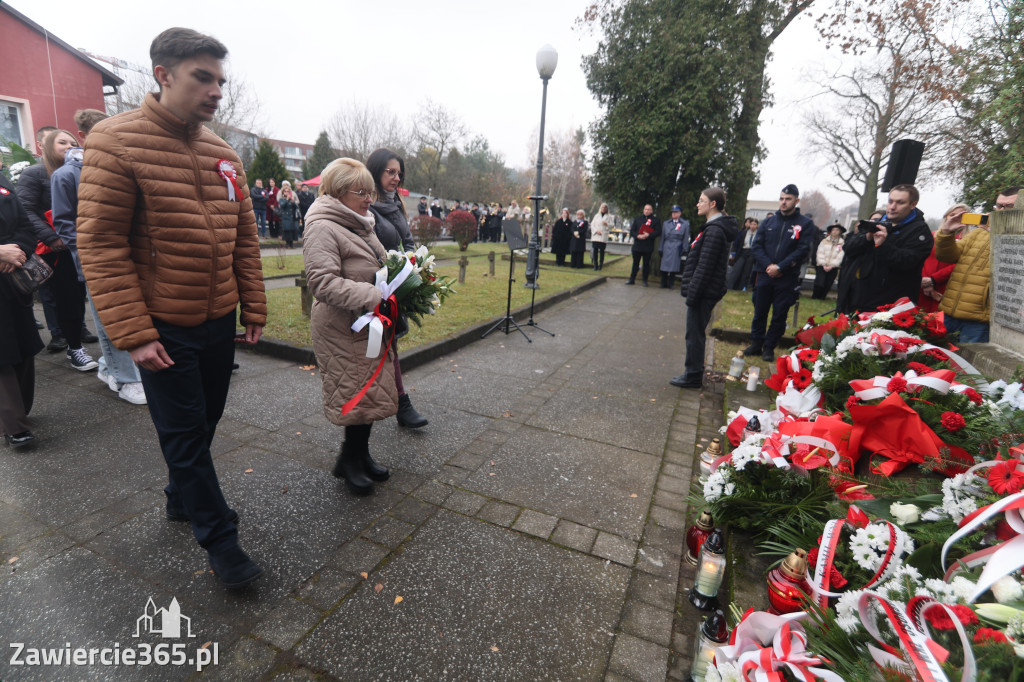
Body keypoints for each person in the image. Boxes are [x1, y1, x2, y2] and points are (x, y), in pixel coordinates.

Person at [77, 27, 267, 589]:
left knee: (202, 423)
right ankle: (222, 543)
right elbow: (101, 243)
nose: (215, 91)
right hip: (162, 325)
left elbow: (244, 238)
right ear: (163, 75)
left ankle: (178, 494)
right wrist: (134, 333)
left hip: (218, 319)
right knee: (184, 433)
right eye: (201, 77)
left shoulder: (223, 153)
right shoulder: (115, 141)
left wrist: (253, 305)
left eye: (219, 80)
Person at [303, 158, 398, 496]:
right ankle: (351, 461)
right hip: (342, 326)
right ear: (339, 191)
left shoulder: (360, 223)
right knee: (355, 393)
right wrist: (373, 294)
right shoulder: (323, 226)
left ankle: (356, 456)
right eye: (362, 192)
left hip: (365, 322)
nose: (369, 198)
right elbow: (322, 282)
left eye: (370, 192)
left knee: (368, 391)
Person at [50, 110, 146, 403]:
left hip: (130, 257)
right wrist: (94, 251)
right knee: (109, 320)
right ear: (84, 135)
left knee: (130, 315)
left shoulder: (118, 166)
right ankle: (126, 378)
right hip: (99, 262)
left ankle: (108, 366)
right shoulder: (65, 175)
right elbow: (64, 222)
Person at [16, 129, 98, 352]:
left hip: (78, 241)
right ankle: (64, 339)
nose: (70, 145)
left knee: (77, 295)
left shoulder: (80, 171)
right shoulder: (35, 173)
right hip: (55, 247)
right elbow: (25, 209)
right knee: (59, 296)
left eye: (73, 142)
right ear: (48, 146)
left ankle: (78, 330)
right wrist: (52, 237)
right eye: (62, 142)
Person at [365, 148, 428, 429]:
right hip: (373, 285)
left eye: (399, 173)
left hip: (397, 282)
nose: (396, 177)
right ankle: (389, 405)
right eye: (390, 172)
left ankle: (400, 404)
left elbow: (408, 239)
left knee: (391, 346)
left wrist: (413, 263)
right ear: (376, 172)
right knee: (376, 349)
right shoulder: (366, 206)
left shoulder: (397, 203)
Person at [672, 187, 738, 388]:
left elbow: (705, 266)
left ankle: (692, 377)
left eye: (701, 200)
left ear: (712, 204)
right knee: (694, 333)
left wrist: (693, 294)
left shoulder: (715, 230)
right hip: (704, 290)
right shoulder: (713, 228)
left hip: (703, 292)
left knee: (694, 335)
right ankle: (692, 373)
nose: (697, 204)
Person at [934, 187, 1018, 342]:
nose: (1001, 210)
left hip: (979, 319)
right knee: (936, 361)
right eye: (999, 206)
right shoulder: (979, 231)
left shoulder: (1017, 237)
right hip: (950, 311)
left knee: (966, 366)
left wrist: (997, 235)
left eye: (1009, 207)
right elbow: (947, 256)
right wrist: (946, 233)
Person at [743, 184, 813, 362]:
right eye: (781, 198)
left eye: (788, 199)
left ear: (796, 201)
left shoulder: (805, 224)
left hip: (786, 277)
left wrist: (781, 267)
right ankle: (756, 343)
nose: (783, 202)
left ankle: (769, 346)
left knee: (779, 314)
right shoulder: (769, 222)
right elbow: (757, 246)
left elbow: (803, 250)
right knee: (760, 311)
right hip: (765, 274)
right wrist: (769, 266)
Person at [1, 172, 45, 447]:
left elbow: (25, 226)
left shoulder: (3, 181)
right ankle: (13, 424)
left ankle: (19, 411)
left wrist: (16, 251)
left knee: (23, 345)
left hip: (13, 279)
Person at [845, 184, 933, 313]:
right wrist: (867, 238)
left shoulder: (920, 232)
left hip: (892, 306)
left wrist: (882, 245)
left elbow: (907, 262)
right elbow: (848, 249)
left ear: (912, 205)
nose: (892, 207)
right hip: (860, 297)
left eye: (900, 202)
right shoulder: (878, 222)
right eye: (890, 201)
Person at [918, 204, 967, 313]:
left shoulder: (968, 240)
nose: (956, 218)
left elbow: (961, 264)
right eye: (953, 215)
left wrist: (933, 279)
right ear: (946, 217)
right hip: (923, 287)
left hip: (946, 287)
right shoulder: (932, 236)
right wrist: (924, 280)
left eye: (962, 216)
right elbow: (921, 257)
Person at [835, 209, 883, 315]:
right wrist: (867, 237)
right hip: (850, 284)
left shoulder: (886, 240)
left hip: (868, 291)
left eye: (878, 220)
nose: (874, 223)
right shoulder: (861, 235)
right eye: (872, 221)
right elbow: (848, 248)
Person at [627, 204, 659, 286]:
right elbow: (632, 231)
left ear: (651, 211)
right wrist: (637, 235)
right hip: (637, 245)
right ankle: (632, 279)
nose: (647, 211)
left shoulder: (655, 220)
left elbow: (658, 232)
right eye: (645, 209)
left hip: (648, 245)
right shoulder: (638, 219)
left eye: (648, 209)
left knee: (646, 264)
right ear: (643, 210)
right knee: (635, 263)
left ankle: (645, 280)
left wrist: (649, 235)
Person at [659, 204, 690, 288]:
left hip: (677, 246)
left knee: (674, 265)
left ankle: (671, 283)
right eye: (673, 212)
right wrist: (660, 248)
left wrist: (685, 248)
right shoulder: (666, 223)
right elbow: (662, 237)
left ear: (680, 213)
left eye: (676, 212)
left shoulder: (685, 224)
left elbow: (686, 237)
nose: (674, 214)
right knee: (664, 265)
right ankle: (663, 283)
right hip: (667, 245)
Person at [811, 223, 845, 299]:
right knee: (819, 282)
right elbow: (820, 252)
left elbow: (840, 255)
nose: (835, 232)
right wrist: (823, 263)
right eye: (833, 230)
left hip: (833, 267)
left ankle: (822, 297)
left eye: (837, 230)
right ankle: (815, 296)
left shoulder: (842, 243)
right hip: (822, 265)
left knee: (828, 283)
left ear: (840, 232)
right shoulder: (824, 241)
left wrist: (832, 265)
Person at [727, 217, 758, 291]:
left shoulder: (759, 234)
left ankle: (742, 288)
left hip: (752, 253)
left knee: (746, 272)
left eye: (755, 224)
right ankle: (729, 287)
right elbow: (738, 243)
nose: (753, 226)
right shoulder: (744, 232)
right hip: (743, 251)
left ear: (757, 225)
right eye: (751, 224)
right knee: (736, 269)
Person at [590, 203, 612, 270]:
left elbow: (612, 225)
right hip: (596, 236)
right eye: (602, 207)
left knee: (602, 251)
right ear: (600, 208)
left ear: (607, 209)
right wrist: (596, 231)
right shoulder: (596, 216)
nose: (603, 209)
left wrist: (607, 224)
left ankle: (600, 265)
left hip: (603, 236)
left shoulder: (609, 217)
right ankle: (595, 265)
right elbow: (592, 225)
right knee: (595, 251)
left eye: (605, 208)